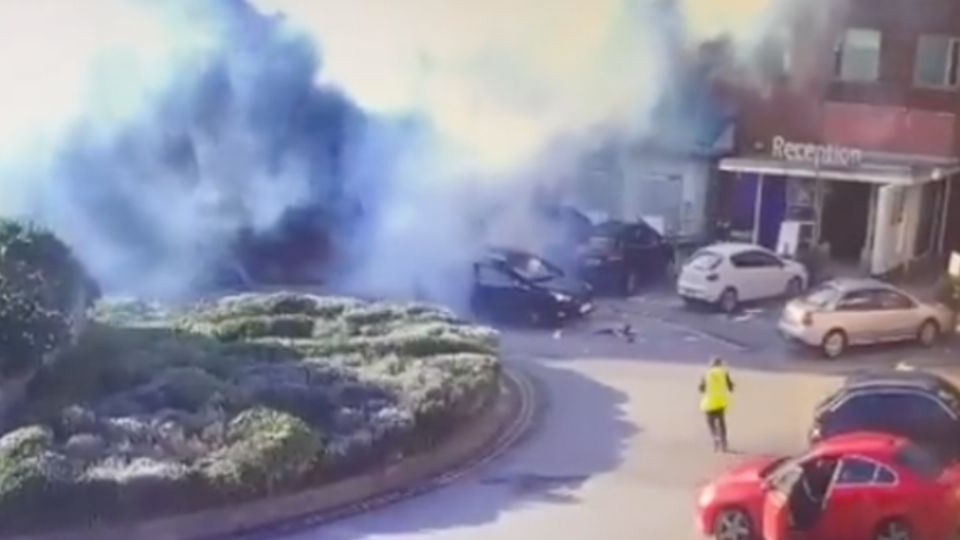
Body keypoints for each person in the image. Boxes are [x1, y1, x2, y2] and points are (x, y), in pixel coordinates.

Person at [699, 356, 735, 452]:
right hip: (721, 402)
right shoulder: (724, 373)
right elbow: (731, 388)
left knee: (710, 422)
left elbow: (701, 389)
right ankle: (724, 443)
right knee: (721, 422)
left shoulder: (706, 374)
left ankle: (715, 436)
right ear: (720, 364)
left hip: (709, 402)